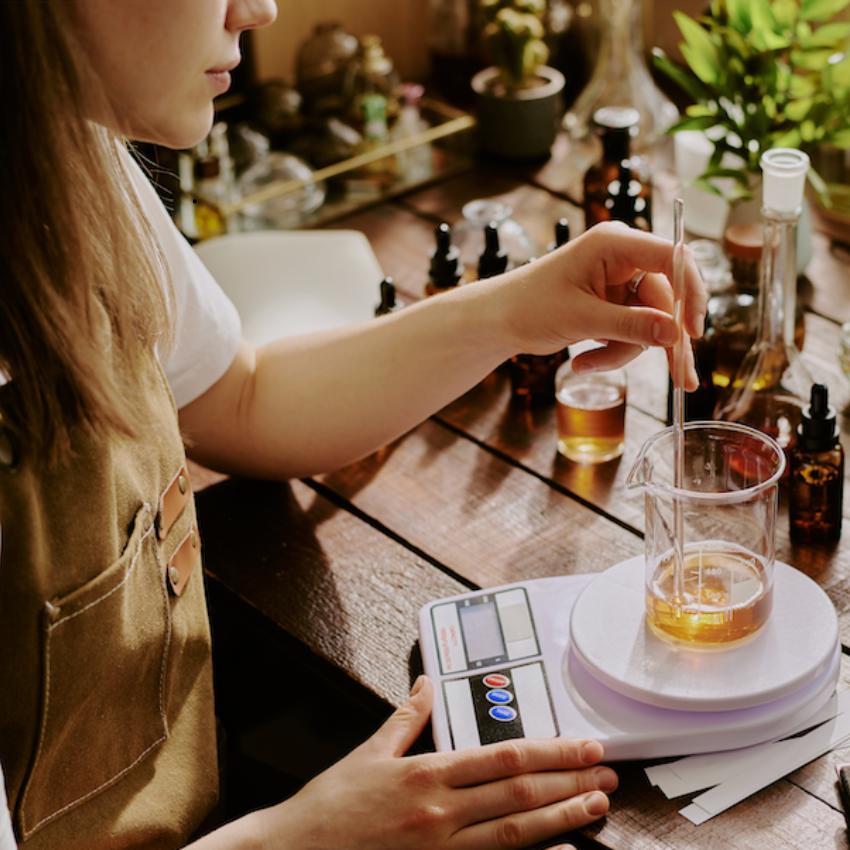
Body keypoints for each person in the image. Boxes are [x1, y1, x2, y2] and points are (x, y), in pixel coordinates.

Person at [0, 1, 705, 849]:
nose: (258, 10)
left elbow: (242, 399)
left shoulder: (70, 158)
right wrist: (311, 835)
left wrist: (517, 309)